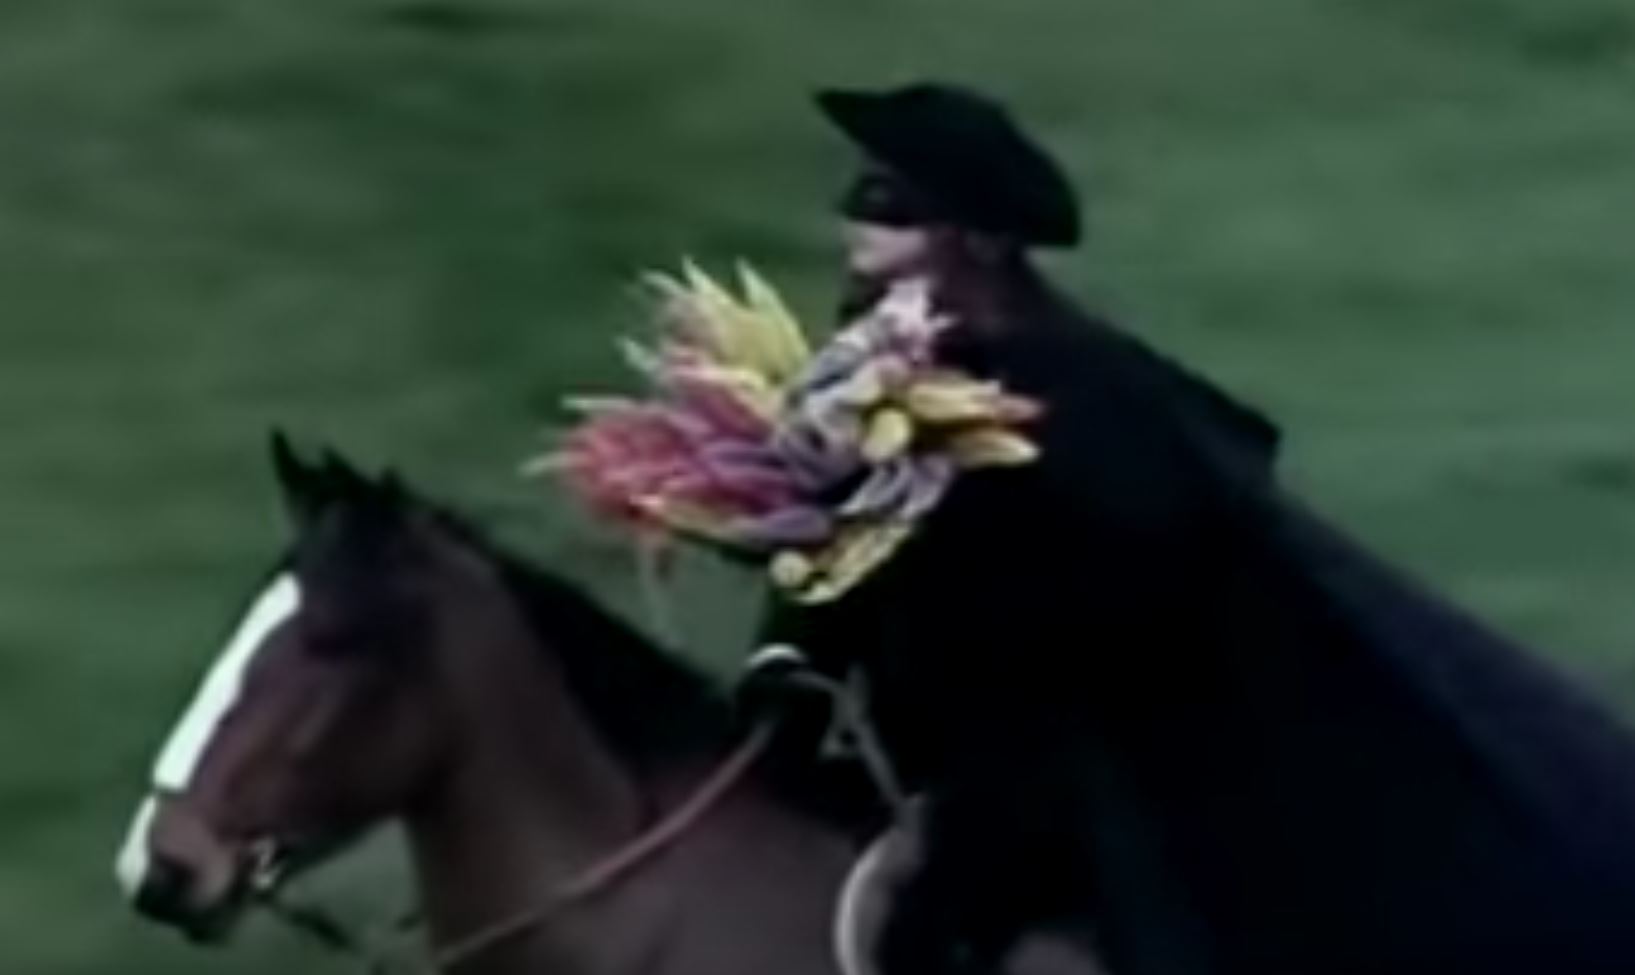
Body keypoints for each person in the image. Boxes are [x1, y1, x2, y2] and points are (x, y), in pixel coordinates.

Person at [743, 81, 1635, 975]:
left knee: (952, 903)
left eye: (892, 207)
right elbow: (848, 520)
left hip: (1091, 719)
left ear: (975, 239)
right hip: (926, 694)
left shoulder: (1078, 392)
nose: (855, 226)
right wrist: (792, 644)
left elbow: (1131, 568)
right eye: (860, 199)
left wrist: (966, 599)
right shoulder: (878, 363)